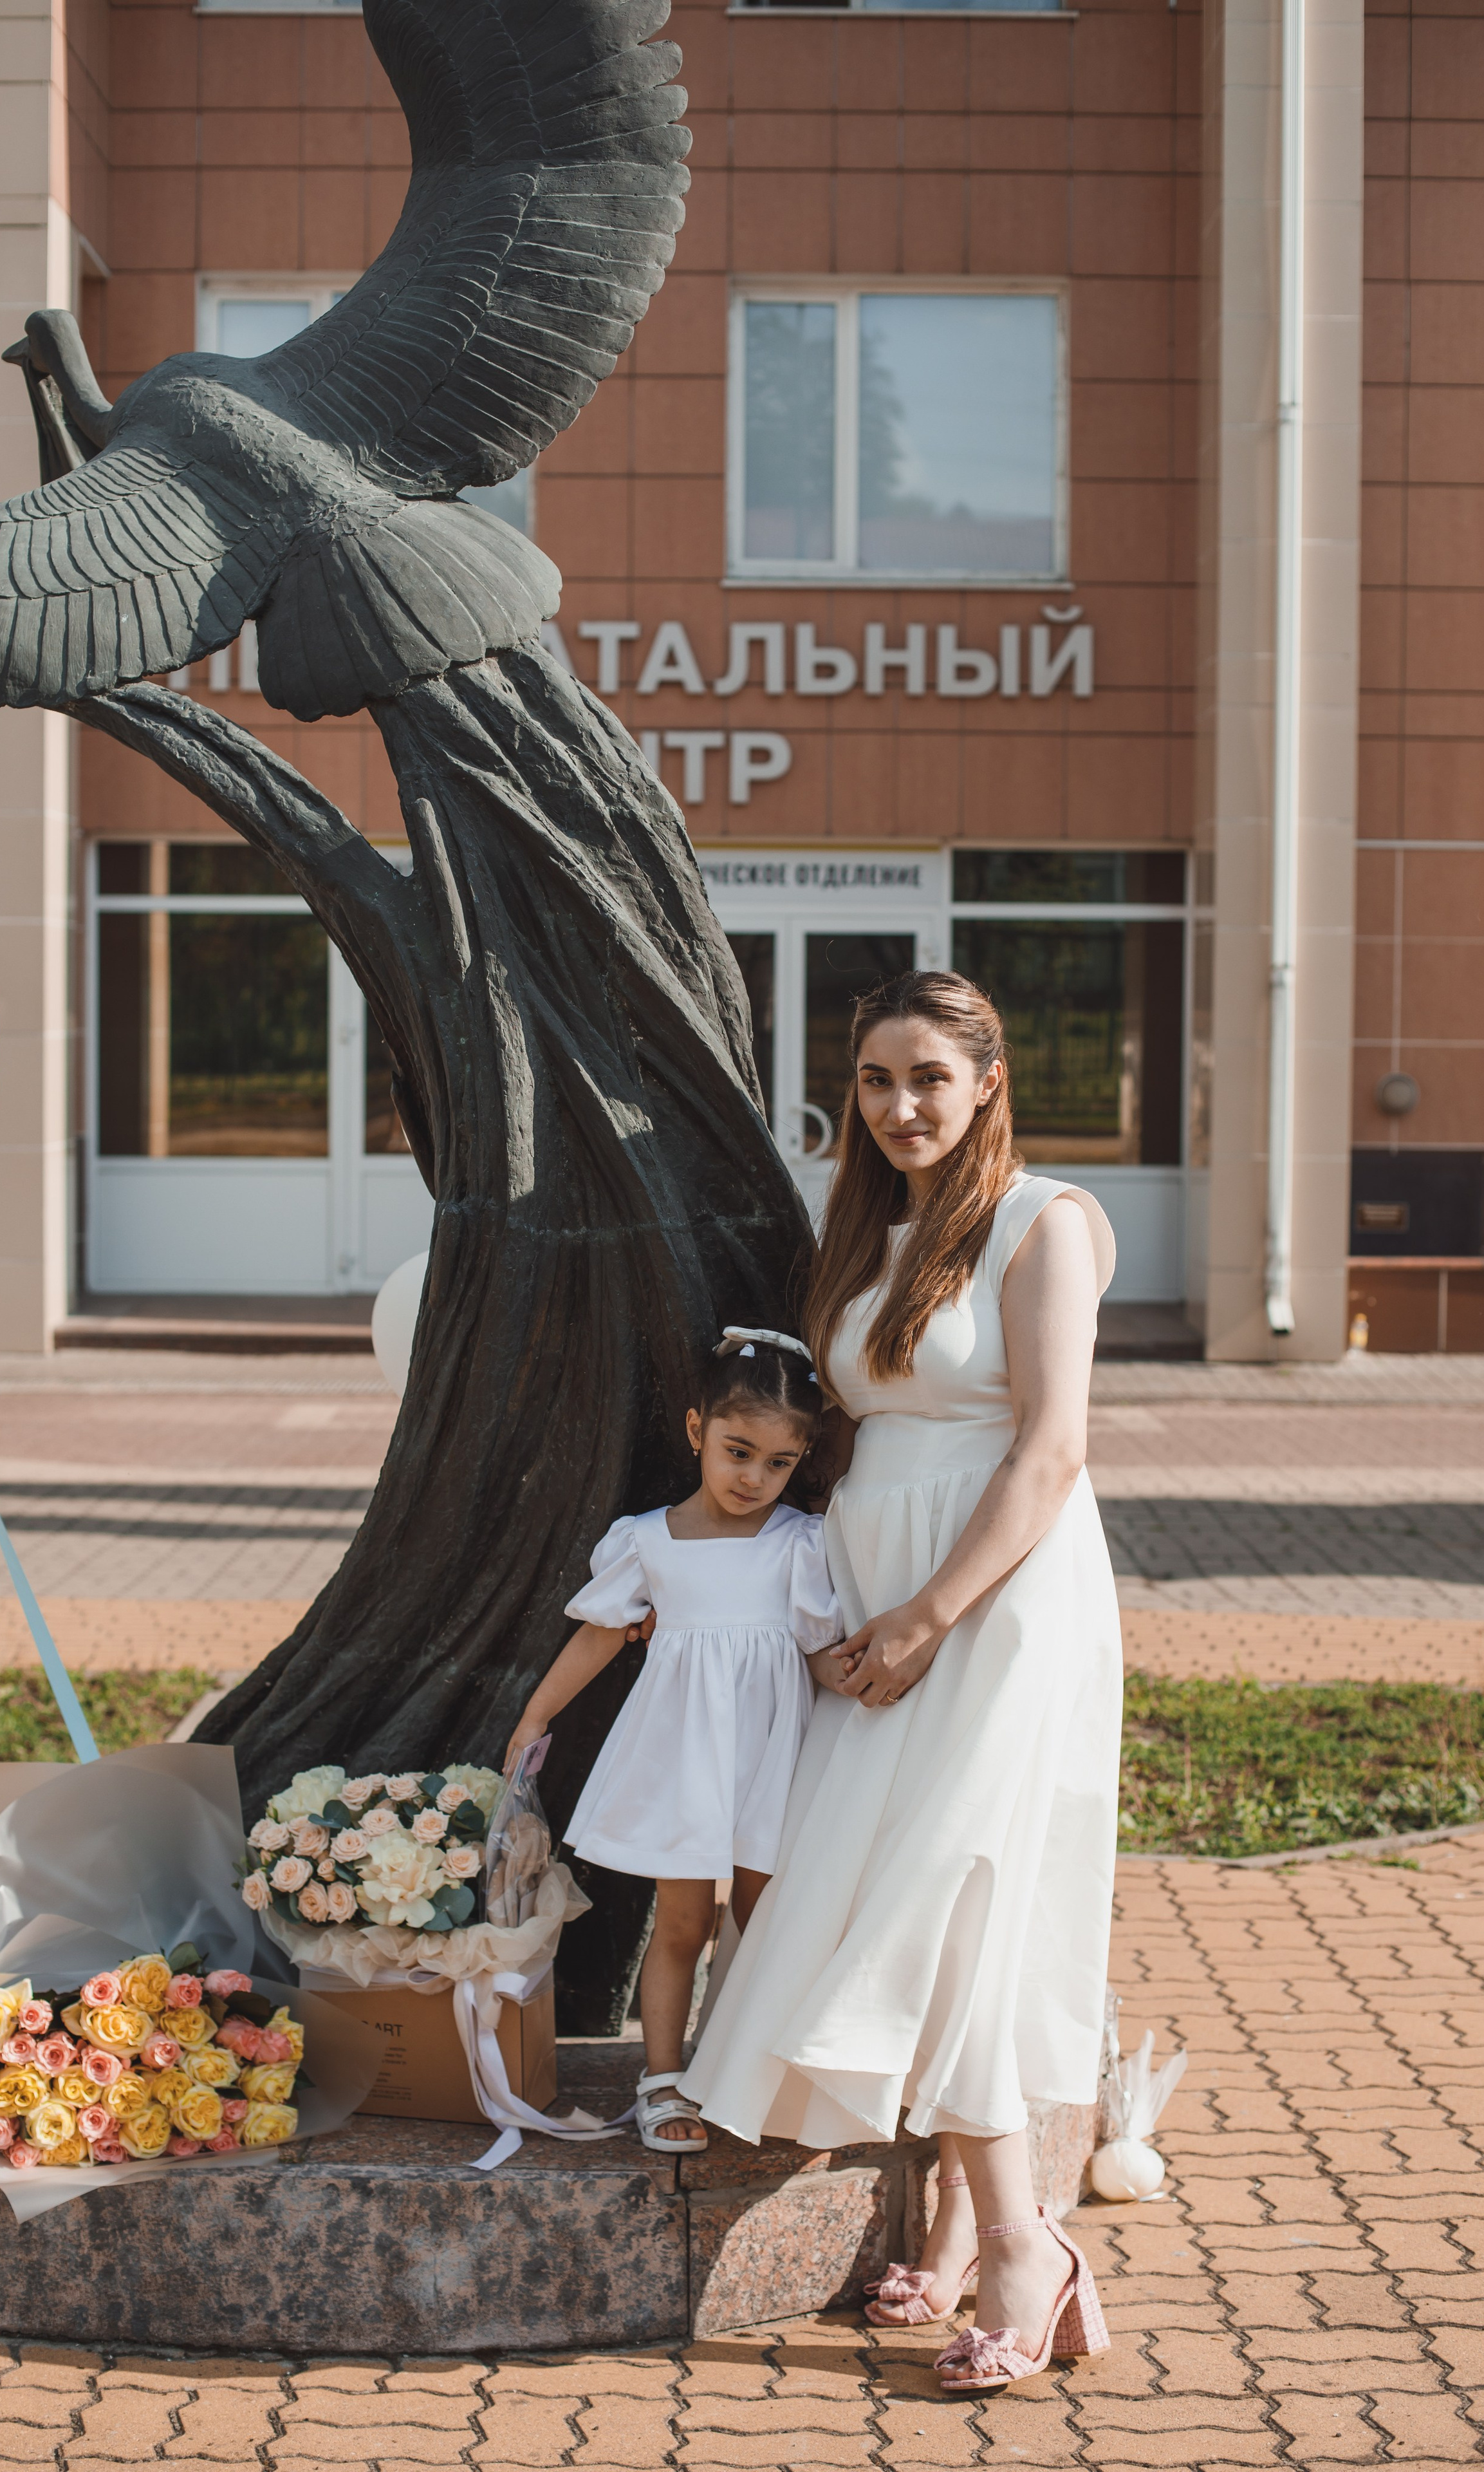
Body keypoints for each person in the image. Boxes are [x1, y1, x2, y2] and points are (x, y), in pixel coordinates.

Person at [679, 971, 1122, 2397]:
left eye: (928, 1077)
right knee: (892, 1885)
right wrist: (824, 1610)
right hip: (876, 1594)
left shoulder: (1043, 1224)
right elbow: (839, 1450)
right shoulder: (864, 1235)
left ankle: (1018, 2249)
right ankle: (941, 2221)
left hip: (995, 1593)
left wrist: (930, 1614)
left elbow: (1047, 1451)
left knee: (950, 1892)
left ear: (986, 1080)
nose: (900, 1106)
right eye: (874, 1080)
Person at [503, 1330, 847, 2154]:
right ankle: (661, 2078)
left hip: (772, 1758)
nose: (754, 1478)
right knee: (683, 1924)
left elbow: (821, 1652)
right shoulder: (646, 1541)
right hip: (688, 1761)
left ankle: (757, 2072)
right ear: (696, 1431)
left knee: (768, 1920)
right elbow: (596, 1635)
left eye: (778, 1463)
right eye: (737, 1452)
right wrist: (535, 1716)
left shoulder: (798, 1543)